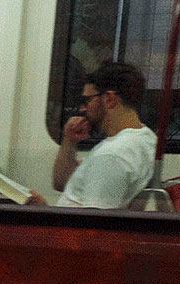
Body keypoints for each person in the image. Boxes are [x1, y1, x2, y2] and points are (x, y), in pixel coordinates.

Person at [29, 62, 156, 209]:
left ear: (109, 99)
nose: (82, 108)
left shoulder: (111, 156)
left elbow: (91, 225)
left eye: (87, 100)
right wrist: (69, 141)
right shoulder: (146, 139)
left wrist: (44, 215)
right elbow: (62, 183)